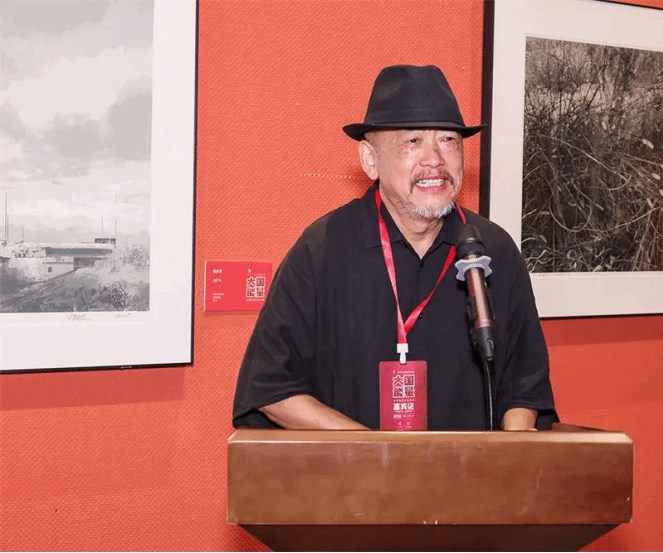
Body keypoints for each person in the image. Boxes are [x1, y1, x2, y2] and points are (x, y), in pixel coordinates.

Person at [232, 64, 558, 431]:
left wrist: (511, 453)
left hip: (471, 468)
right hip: (352, 468)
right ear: (370, 160)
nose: (435, 159)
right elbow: (271, 388)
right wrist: (374, 452)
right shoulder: (322, 250)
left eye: (448, 140)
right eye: (413, 141)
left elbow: (525, 389)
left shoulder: (494, 250)